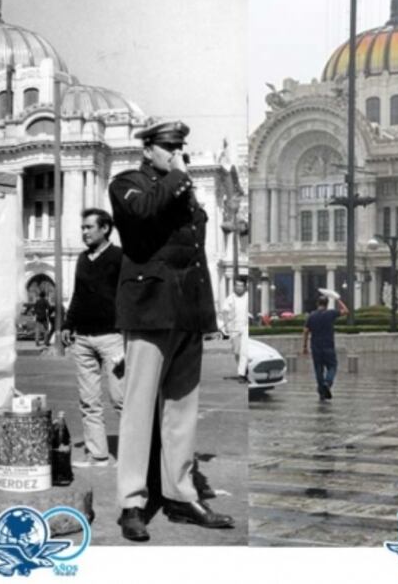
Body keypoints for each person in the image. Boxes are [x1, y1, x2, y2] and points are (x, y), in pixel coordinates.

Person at [109, 120, 234, 542]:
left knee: (181, 409)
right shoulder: (128, 183)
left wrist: (205, 312)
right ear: (147, 149)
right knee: (139, 408)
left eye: (180, 146)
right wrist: (179, 176)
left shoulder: (179, 189)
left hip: (186, 309)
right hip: (149, 309)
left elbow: (195, 251)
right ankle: (132, 501)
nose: (175, 152)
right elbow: (142, 214)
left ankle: (179, 494)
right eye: (167, 146)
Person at [61, 208, 125, 468]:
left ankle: (134, 457)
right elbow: (78, 294)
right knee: (88, 401)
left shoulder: (120, 257)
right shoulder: (82, 259)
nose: (84, 232)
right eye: (83, 228)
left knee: (121, 400)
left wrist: (128, 333)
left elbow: (129, 297)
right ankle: (97, 454)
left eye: (89, 227)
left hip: (113, 338)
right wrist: (68, 324)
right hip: (83, 338)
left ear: (105, 228)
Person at [302, 294, 349, 401]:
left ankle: (321, 392)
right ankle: (327, 383)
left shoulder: (311, 316)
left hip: (316, 347)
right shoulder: (331, 313)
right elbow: (346, 311)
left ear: (317, 304)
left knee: (318, 369)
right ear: (327, 305)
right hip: (328, 346)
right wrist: (338, 300)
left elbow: (305, 331)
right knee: (332, 366)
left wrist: (304, 346)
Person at [221, 276, 250, 379]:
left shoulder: (247, 297)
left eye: (241, 286)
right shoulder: (230, 298)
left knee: (244, 351)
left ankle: (242, 373)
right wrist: (227, 326)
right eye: (237, 285)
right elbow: (224, 312)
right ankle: (242, 369)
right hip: (234, 328)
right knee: (237, 351)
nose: (239, 288)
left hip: (246, 327)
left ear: (245, 287)